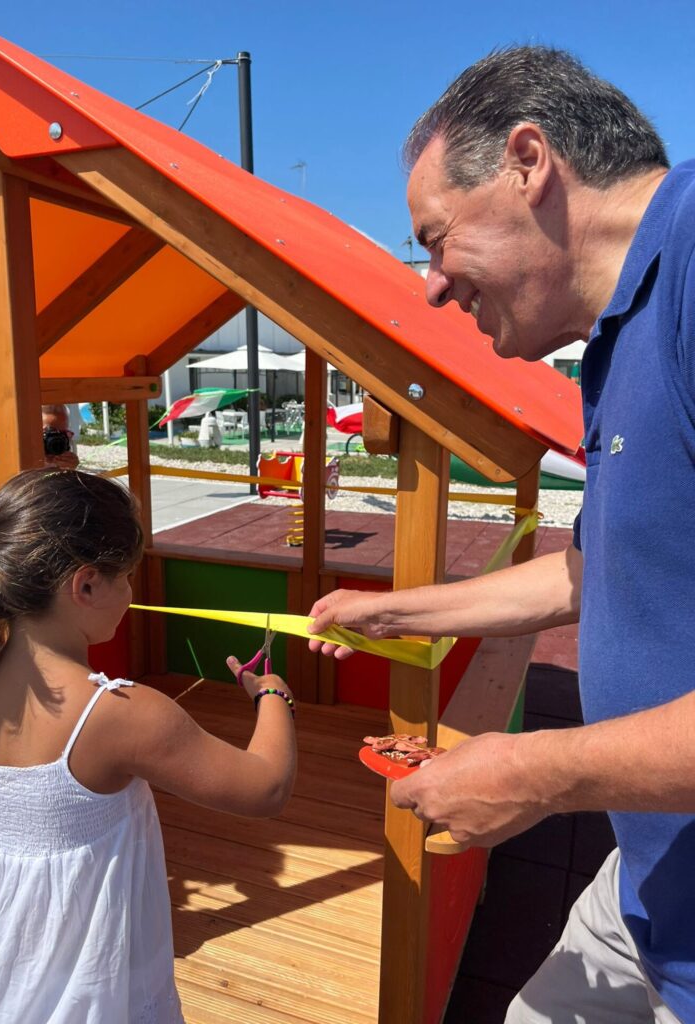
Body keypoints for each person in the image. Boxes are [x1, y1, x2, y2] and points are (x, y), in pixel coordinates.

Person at [309, 46, 695, 1024]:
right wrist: (395, 607)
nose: (434, 285)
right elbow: (590, 570)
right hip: (652, 889)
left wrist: (535, 771)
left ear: (529, 160)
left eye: (436, 239)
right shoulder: (616, 337)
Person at [0, 468, 296, 1023]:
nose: (129, 593)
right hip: (81, 1001)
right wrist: (272, 695)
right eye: (125, 576)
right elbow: (266, 787)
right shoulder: (119, 715)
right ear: (87, 585)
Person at [0, 404, 79, 510]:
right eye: (48, 433)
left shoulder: (57, 450)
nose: (55, 439)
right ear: (28, 428)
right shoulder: (2, 450)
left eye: (63, 433)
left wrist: (70, 471)